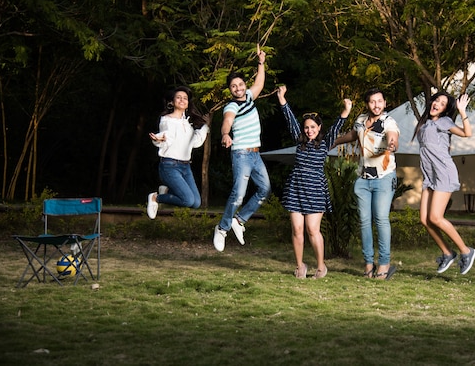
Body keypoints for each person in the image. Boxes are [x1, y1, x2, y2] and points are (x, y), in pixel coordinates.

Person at [276, 85, 352, 279]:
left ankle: (320, 266)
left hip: (315, 190)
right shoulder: (298, 140)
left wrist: (346, 110)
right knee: (297, 229)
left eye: (313, 127)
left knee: (312, 229)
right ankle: (300, 266)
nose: (309, 130)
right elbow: (289, 119)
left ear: (319, 128)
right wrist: (282, 98)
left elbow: (337, 126)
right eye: (307, 127)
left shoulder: (325, 142)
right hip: (296, 188)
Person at [333, 88, 400, 280]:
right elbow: (354, 135)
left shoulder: (389, 122)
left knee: (380, 219)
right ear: (367, 104)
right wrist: (335, 142)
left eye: (380, 101)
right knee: (364, 221)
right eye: (372, 101)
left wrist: (392, 145)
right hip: (363, 178)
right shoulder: (361, 120)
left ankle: (384, 264)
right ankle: (368, 263)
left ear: (385, 103)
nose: (376, 105)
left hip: (384, 176)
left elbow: (393, 137)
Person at [214, 45, 271, 252]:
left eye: (240, 84)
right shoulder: (231, 106)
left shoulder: (248, 96)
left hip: (256, 154)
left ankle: (240, 220)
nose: (238, 88)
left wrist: (261, 63)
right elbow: (227, 122)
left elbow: (260, 83)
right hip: (241, 154)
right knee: (238, 194)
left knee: (265, 189)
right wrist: (225, 134)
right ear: (230, 90)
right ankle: (222, 228)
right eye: (234, 86)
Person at [414, 91, 475, 274]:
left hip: (443, 173)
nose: (436, 104)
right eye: (436, 100)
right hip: (430, 175)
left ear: (444, 109)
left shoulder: (445, 122)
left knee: (435, 217)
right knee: (425, 220)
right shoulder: (425, 124)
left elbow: (467, 133)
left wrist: (462, 112)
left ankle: (466, 251)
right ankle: (447, 253)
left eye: (442, 103)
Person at [147, 86, 210, 219]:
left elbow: (196, 143)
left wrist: (204, 127)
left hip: (185, 166)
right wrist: (160, 139)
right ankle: (156, 197)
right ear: (172, 102)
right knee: (187, 200)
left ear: (188, 104)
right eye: (179, 97)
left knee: (196, 203)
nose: (182, 100)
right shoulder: (167, 120)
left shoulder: (189, 124)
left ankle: (167, 190)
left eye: (185, 98)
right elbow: (166, 136)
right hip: (169, 166)